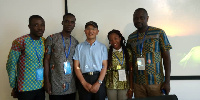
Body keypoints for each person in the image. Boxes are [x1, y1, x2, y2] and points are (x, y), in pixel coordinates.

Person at [127, 8, 172, 98]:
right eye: (135, 18)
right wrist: (131, 86)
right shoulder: (131, 37)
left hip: (156, 83)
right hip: (138, 84)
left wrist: (167, 82)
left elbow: (167, 58)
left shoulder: (159, 33)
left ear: (147, 18)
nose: (138, 20)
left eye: (141, 17)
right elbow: (130, 62)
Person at [6, 15, 45, 100]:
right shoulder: (19, 42)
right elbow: (11, 65)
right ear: (29, 26)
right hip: (25, 89)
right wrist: (14, 86)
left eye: (42, 25)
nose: (40, 28)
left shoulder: (44, 41)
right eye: (36, 25)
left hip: (40, 87)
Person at [44, 13, 79, 100]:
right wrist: (47, 81)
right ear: (62, 22)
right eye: (66, 21)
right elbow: (46, 60)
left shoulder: (75, 42)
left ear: (74, 24)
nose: (69, 24)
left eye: (72, 22)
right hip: (55, 85)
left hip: (71, 85)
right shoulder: (52, 38)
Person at [73, 21, 108, 100]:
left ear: (97, 32)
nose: (91, 31)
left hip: (99, 78)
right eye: (88, 29)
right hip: (84, 78)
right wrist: (84, 83)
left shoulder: (102, 47)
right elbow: (76, 66)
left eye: (93, 29)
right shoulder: (79, 47)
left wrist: (98, 83)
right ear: (85, 31)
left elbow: (104, 66)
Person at [105, 29, 133, 100]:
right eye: (111, 40)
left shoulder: (127, 52)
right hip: (111, 84)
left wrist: (131, 88)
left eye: (116, 38)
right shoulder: (107, 52)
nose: (113, 41)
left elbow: (131, 70)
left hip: (124, 84)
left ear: (120, 38)